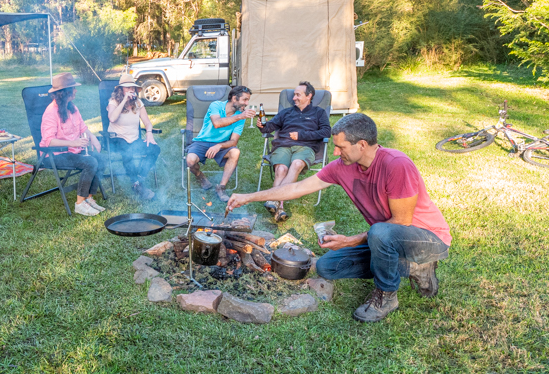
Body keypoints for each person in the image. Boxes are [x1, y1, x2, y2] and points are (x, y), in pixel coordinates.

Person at [227, 113, 451, 323]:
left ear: (361, 145)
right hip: (386, 239)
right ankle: (415, 269)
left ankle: (386, 295)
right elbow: (295, 188)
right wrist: (248, 197)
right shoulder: (343, 166)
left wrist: (351, 240)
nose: (335, 152)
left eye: (340, 147)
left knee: (380, 232)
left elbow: (401, 221)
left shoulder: (396, 164)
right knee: (327, 266)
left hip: (427, 239)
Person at [256, 81, 331, 222]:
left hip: (306, 146)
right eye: (294, 94)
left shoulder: (318, 113)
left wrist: (301, 135)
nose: (294, 98)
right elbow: (270, 126)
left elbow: (327, 131)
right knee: (281, 170)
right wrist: (262, 125)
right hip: (283, 145)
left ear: (309, 96)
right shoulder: (286, 112)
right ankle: (280, 207)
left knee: (296, 164)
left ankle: (274, 200)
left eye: (298, 95)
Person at [40, 73, 107, 217]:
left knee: (100, 160)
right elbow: (49, 141)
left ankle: (88, 198)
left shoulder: (72, 108)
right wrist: (74, 142)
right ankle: (80, 204)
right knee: (90, 162)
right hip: (55, 154)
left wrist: (93, 138)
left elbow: (83, 128)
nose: (76, 91)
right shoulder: (51, 112)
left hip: (73, 151)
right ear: (64, 92)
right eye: (73, 88)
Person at [186, 85, 255, 202]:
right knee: (190, 160)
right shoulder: (216, 105)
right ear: (234, 98)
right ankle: (200, 176)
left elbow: (234, 141)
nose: (247, 103)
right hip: (202, 141)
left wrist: (219, 146)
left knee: (235, 152)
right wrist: (239, 116)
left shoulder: (240, 116)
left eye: (248, 100)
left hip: (222, 144)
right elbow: (217, 123)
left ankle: (221, 187)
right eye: (245, 99)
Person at [107, 74, 160, 200]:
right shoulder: (113, 102)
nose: (131, 90)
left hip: (134, 139)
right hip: (117, 138)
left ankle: (140, 178)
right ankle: (136, 184)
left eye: (132, 87)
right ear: (121, 90)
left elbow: (147, 122)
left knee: (154, 149)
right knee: (127, 152)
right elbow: (112, 118)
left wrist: (149, 133)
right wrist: (124, 100)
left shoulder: (138, 103)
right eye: (127, 88)